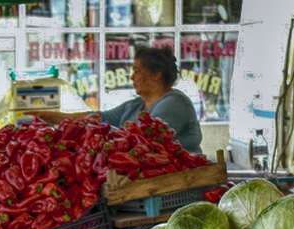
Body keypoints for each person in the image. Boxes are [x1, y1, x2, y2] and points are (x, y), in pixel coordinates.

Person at [32, 46, 203, 154]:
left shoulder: (174, 103)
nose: (132, 77)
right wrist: (54, 117)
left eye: (137, 71)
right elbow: (98, 119)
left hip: (179, 179)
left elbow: (147, 142)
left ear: (156, 74)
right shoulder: (135, 105)